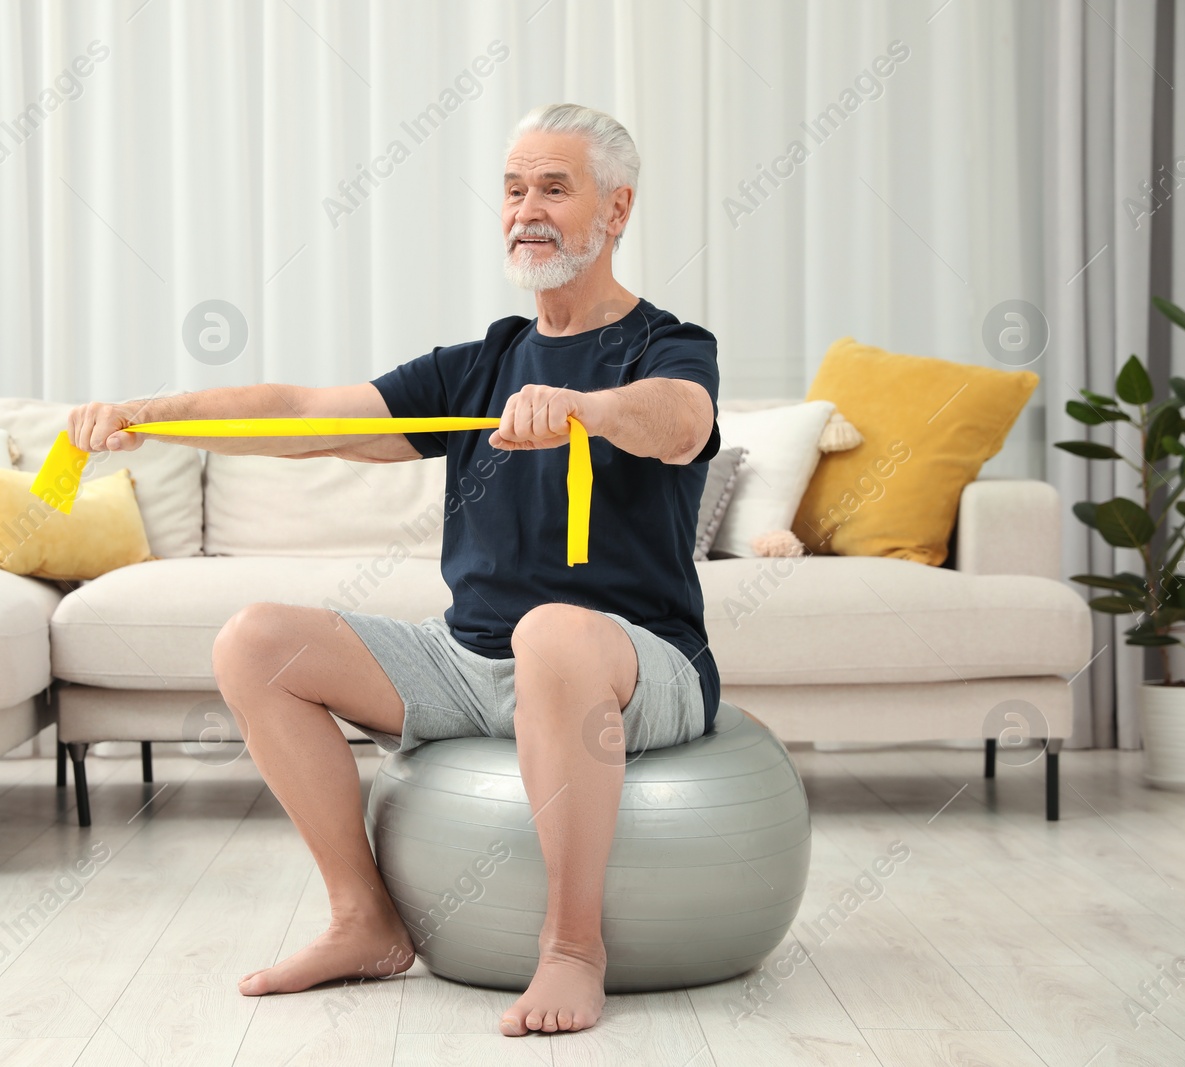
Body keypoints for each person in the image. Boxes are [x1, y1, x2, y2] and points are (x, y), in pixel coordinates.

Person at [67, 103, 720, 1037]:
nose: (525, 208)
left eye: (553, 187)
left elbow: (683, 421)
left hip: (631, 660)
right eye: (511, 188)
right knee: (257, 642)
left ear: (616, 210)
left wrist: (590, 409)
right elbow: (303, 410)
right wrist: (150, 413)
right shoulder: (480, 362)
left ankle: (574, 947)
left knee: (552, 630)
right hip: (467, 659)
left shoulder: (667, 343)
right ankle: (363, 920)